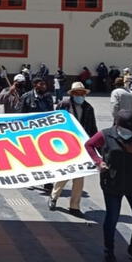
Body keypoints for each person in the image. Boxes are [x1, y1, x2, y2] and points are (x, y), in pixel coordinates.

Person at [85, 110, 132, 262]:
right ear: (117, 124)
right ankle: (109, 251)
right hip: (112, 183)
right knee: (112, 218)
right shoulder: (105, 135)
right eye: (125, 128)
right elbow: (89, 145)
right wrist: (98, 161)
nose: (129, 132)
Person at [49, 82, 98, 217]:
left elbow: (93, 128)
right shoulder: (64, 105)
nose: (80, 96)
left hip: (82, 145)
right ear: (72, 94)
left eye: (82, 93)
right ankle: (54, 197)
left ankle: (74, 206)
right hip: (65, 144)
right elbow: (52, 122)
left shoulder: (88, 108)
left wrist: (96, 145)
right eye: (77, 93)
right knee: (65, 172)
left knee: (79, 176)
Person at [20, 77, 54, 192]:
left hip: (44, 133)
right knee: (31, 158)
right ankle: (29, 180)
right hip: (29, 133)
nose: (44, 86)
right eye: (41, 84)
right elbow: (20, 115)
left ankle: (48, 182)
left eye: (45, 84)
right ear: (35, 85)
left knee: (47, 157)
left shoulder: (48, 97)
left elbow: (51, 113)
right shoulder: (26, 97)